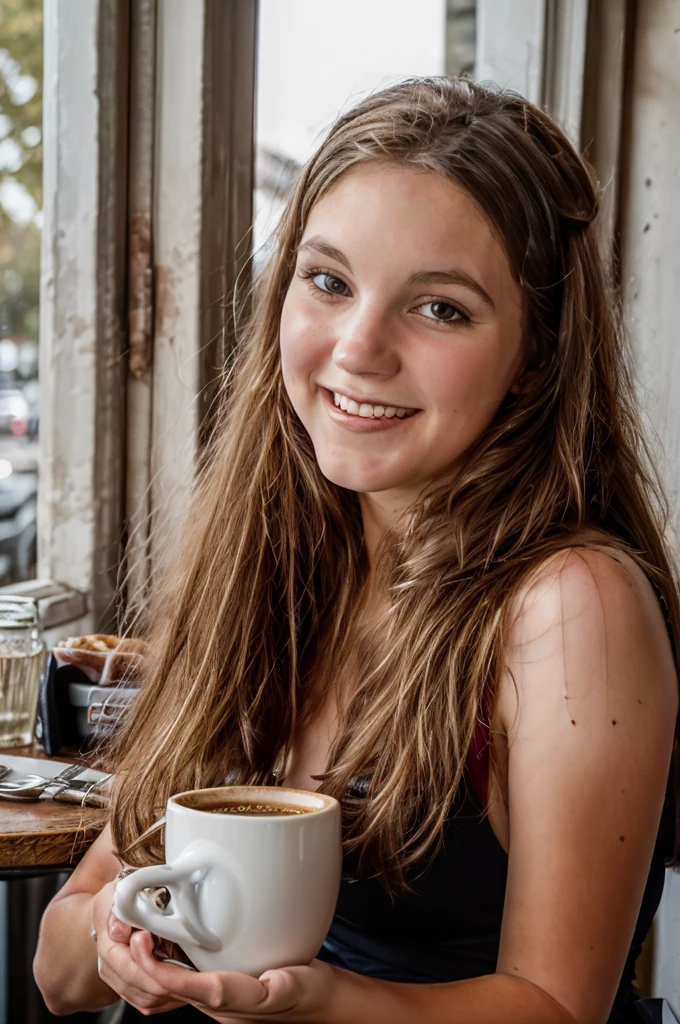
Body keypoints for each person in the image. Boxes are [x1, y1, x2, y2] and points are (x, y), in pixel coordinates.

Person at [33, 76, 680, 1024]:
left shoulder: (571, 604)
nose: (359, 347)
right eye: (329, 281)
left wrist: (323, 1002)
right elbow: (58, 966)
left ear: (536, 357)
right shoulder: (267, 571)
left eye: (441, 309)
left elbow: (555, 1006)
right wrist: (124, 946)